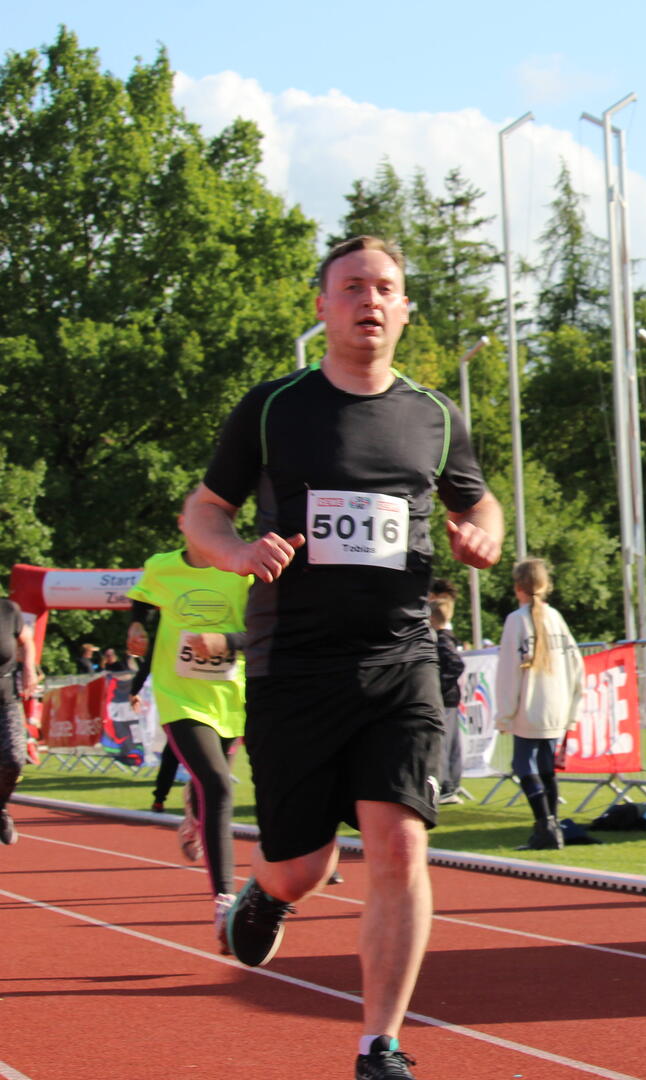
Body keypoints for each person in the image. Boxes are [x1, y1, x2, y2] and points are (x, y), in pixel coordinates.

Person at [181, 235, 502, 1080]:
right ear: (322, 306)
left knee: (399, 847)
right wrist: (237, 552)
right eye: (352, 286)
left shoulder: (434, 416)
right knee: (304, 864)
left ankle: (379, 1046)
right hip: (295, 663)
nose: (370, 300)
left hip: (402, 657)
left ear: (405, 310)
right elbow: (203, 510)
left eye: (385, 288)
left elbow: (481, 501)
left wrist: (483, 537)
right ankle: (266, 894)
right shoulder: (274, 408)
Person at [125, 533, 251, 945]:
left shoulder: (245, 572)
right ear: (187, 523)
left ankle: (194, 813)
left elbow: (266, 633)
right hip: (178, 696)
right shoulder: (161, 566)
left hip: (229, 699)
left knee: (208, 788)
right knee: (217, 784)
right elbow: (142, 601)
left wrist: (225, 642)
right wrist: (137, 626)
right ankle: (224, 900)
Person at [494, 558, 583, 851]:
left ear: (518, 587)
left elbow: (508, 671)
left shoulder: (517, 620)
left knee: (524, 765)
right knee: (546, 768)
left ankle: (545, 826)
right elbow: (577, 665)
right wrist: (572, 707)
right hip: (556, 704)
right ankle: (552, 826)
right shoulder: (555, 617)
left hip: (529, 706)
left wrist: (505, 714)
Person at [0, 589, 41, 845]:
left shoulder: (8, 610)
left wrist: (29, 668)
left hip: (5, 699)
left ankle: (0, 808)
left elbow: (26, 641)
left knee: (14, 759)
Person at [428, 582, 465, 806]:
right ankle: (450, 784)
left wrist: (439, 685)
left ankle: (445, 785)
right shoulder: (448, 638)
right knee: (451, 743)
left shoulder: (442, 639)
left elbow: (456, 664)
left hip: (446, 699)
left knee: (444, 744)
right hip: (450, 698)